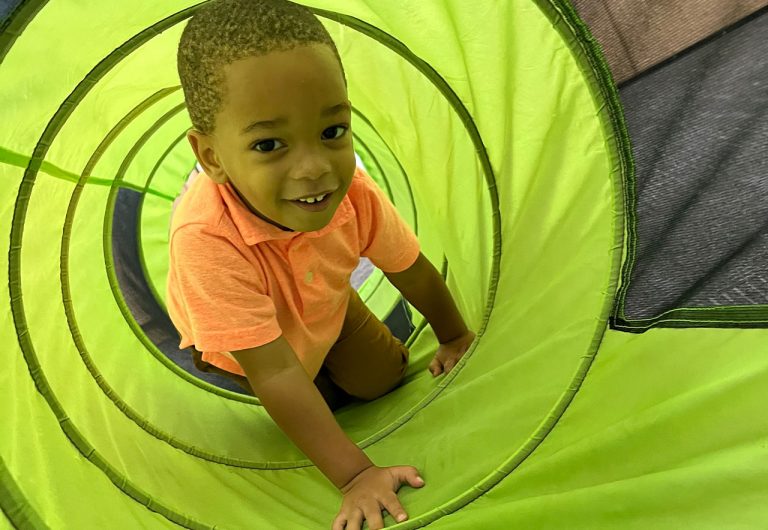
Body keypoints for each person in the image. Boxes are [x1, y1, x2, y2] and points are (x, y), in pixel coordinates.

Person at [167, 1, 475, 528]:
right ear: (212, 156)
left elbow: (409, 267)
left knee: (382, 380)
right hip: (251, 351)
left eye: (332, 132)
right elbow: (278, 370)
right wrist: (356, 476)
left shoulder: (353, 189)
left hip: (328, 303)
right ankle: (327, 389)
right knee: (316, 405)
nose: (314, 169)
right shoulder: (205, 239)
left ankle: (339, 357)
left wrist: (454, 336)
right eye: (269, 145)